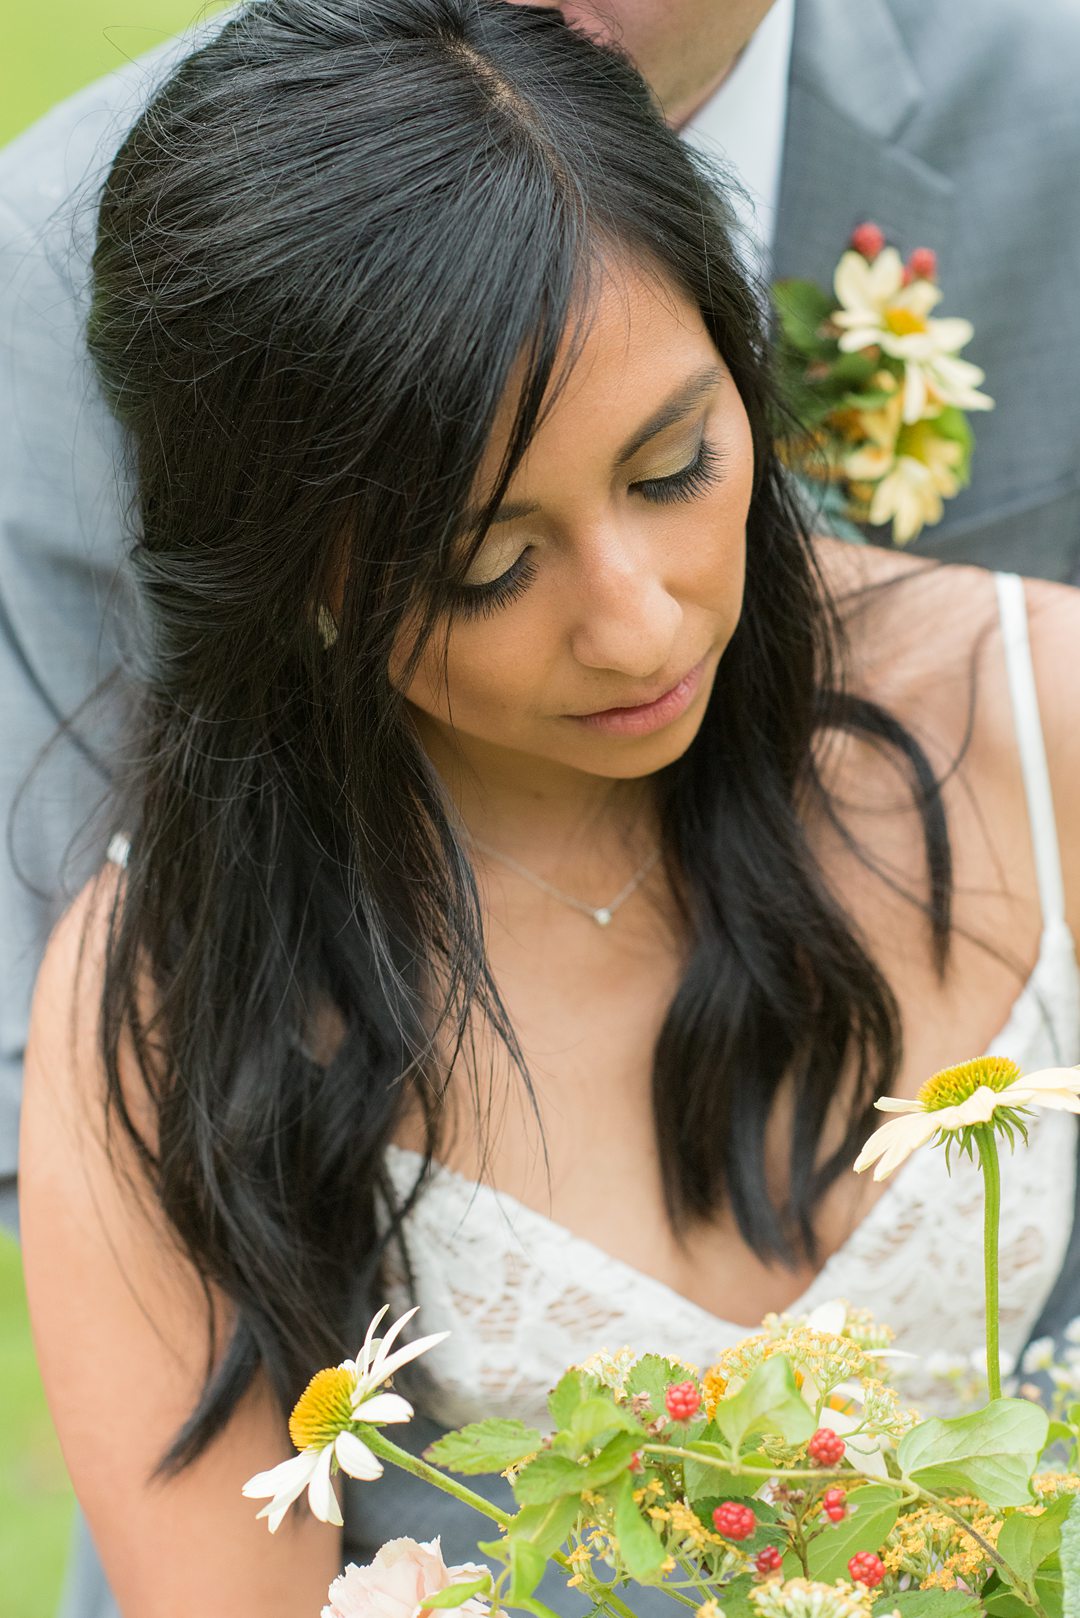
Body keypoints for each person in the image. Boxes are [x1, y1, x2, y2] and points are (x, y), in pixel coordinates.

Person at [15, 4, 1080, 1616]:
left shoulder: (1035, 704)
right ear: (294, 578)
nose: (642, 624)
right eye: (489, 567)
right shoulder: (171, 995)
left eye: (672, 470)